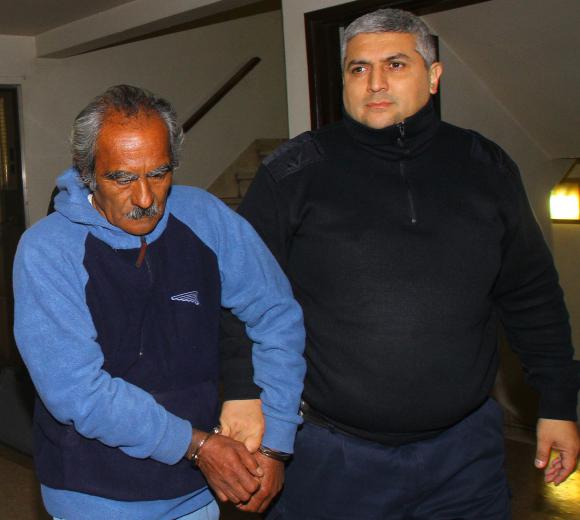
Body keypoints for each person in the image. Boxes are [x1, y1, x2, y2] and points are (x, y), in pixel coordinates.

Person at [227, 8, 580, 519]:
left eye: (395, 64)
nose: (374, 82)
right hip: (331, 457)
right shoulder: (293, 173)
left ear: (433, 76)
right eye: (358, 68)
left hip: (464, 458)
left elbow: (532, 295)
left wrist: (558, 403)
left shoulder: (486, 167)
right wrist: (244, 394)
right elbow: (240, 294)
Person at [12, 84, 306, 520]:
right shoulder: (47, 249)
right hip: (95, 497)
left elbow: (276, 315)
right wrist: (198, 445)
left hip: (198, 493)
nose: (145, 198)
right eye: (122, 178)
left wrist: (277, 441)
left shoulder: (206, 217)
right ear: (88, 172)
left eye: (159, 173)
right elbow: (77, 392)